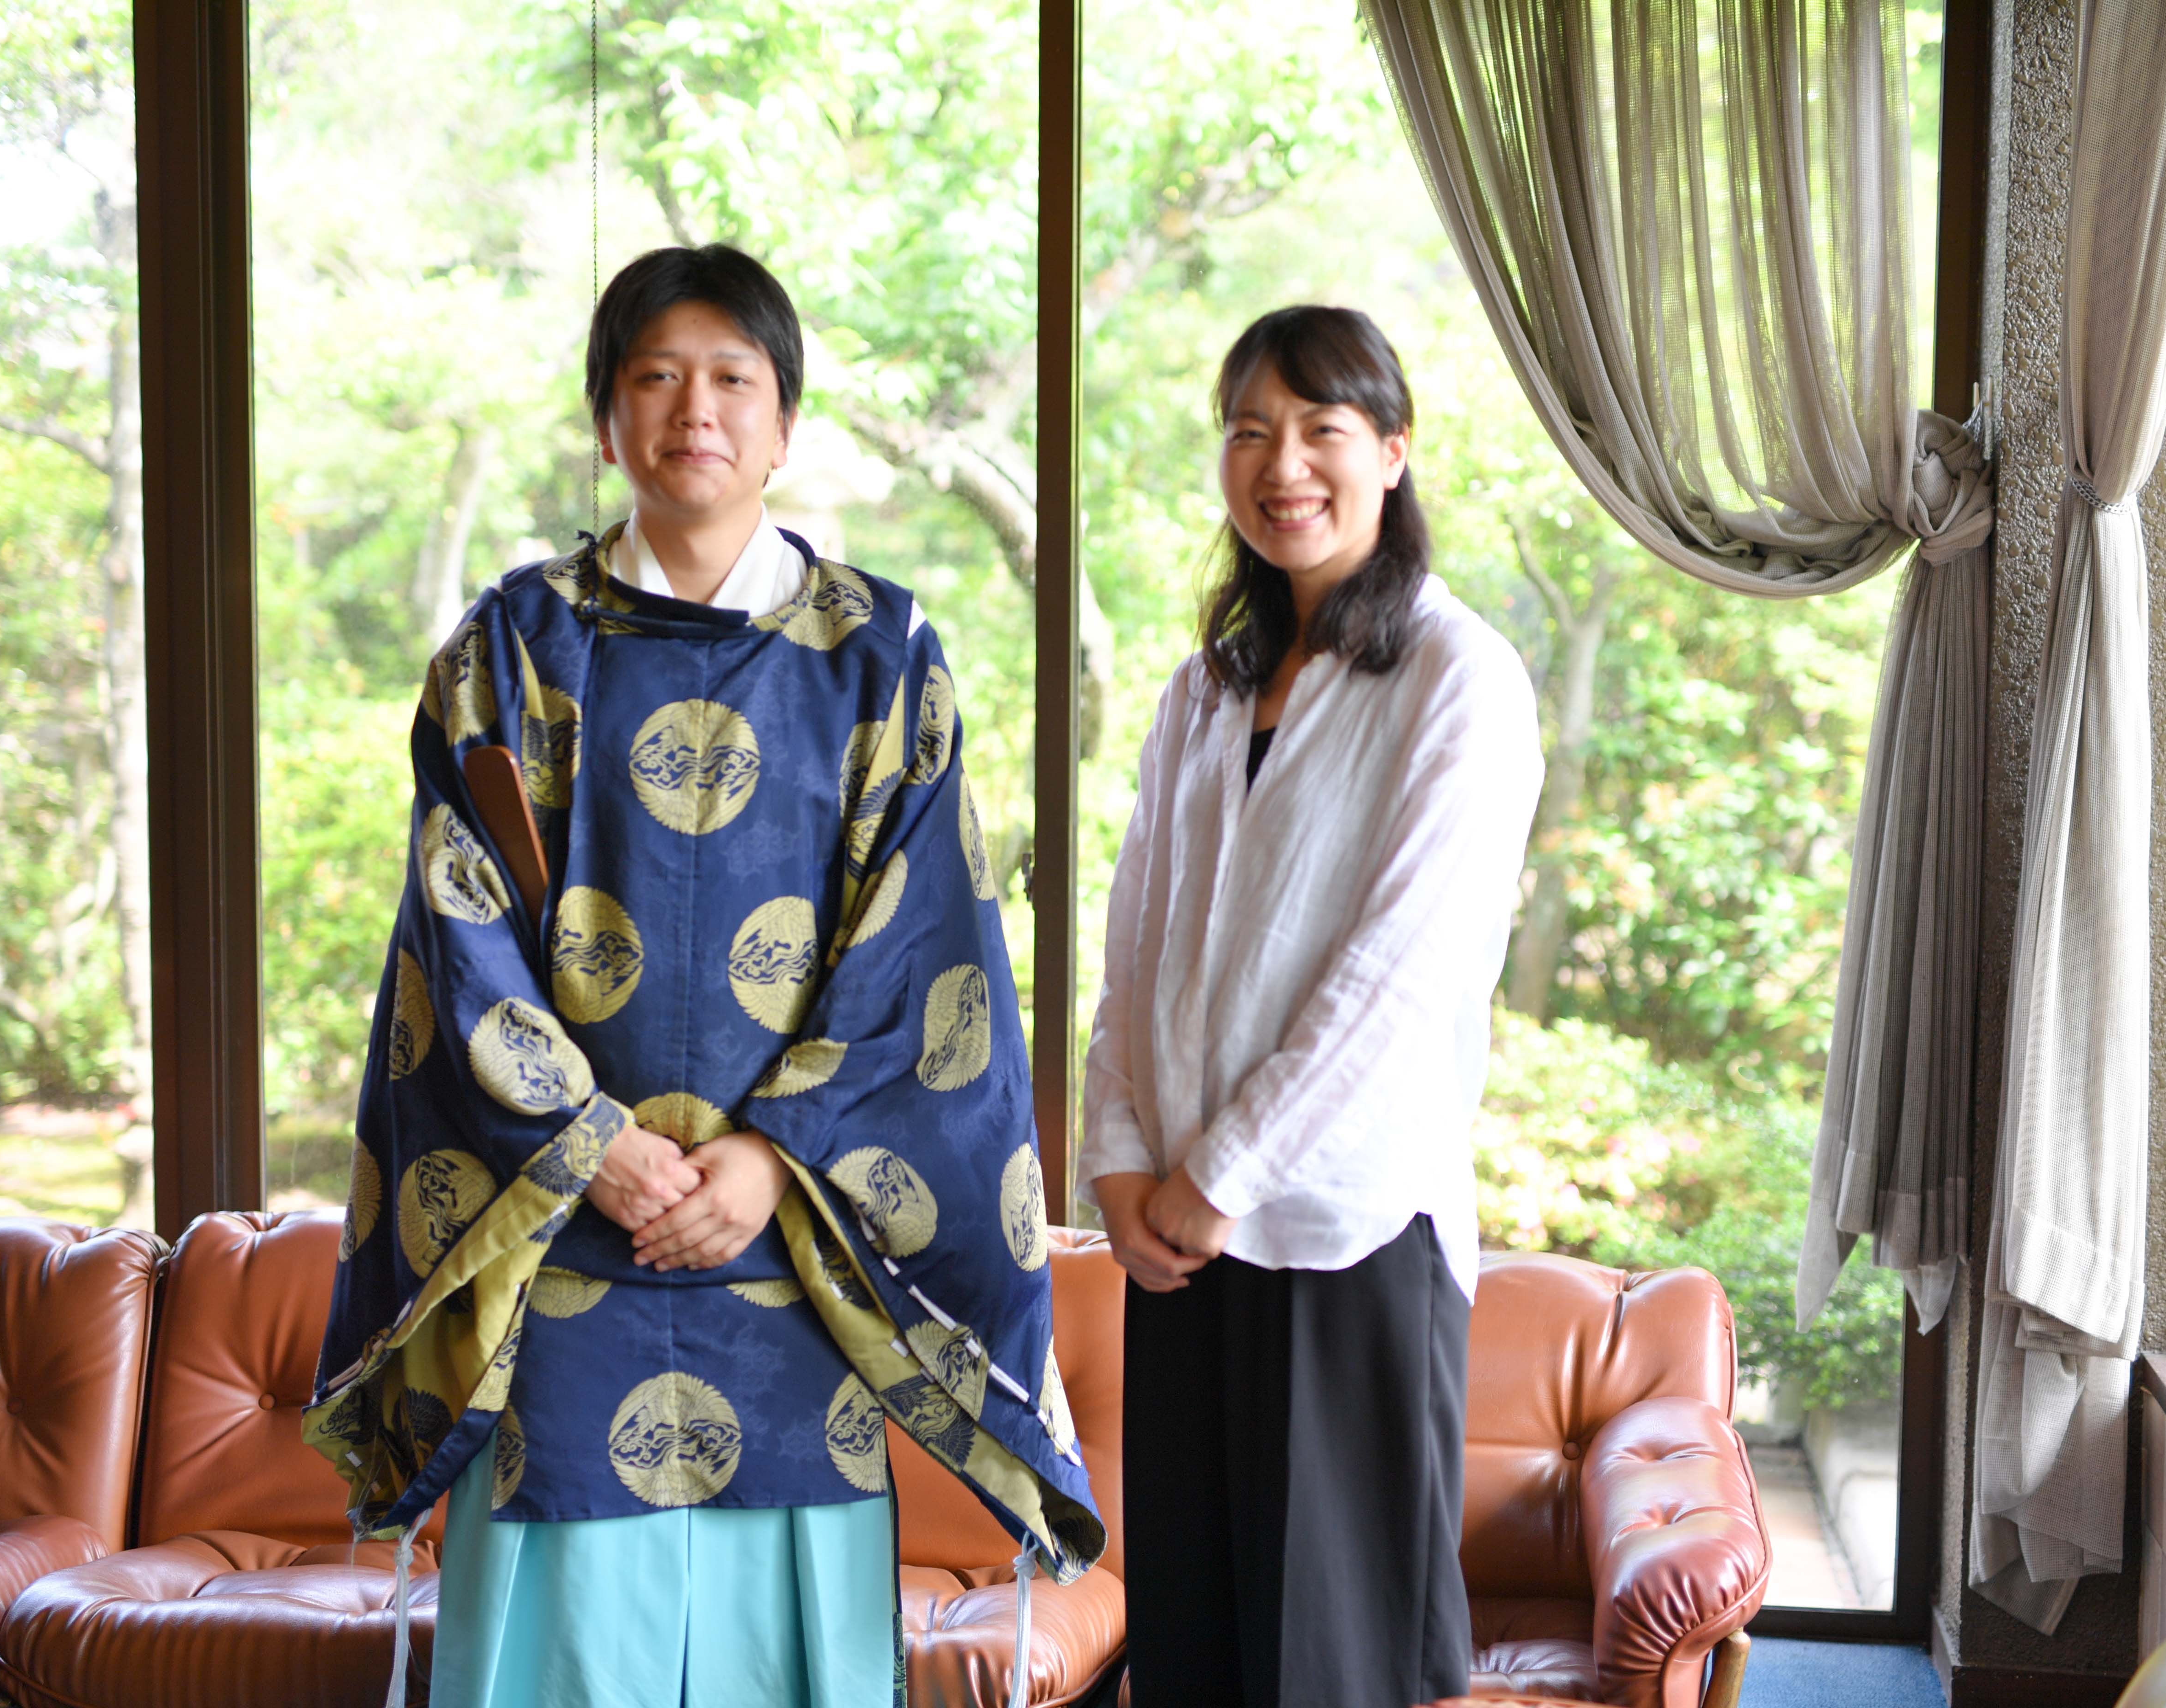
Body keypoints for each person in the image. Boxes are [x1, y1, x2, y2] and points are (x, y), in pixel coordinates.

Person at [306, 243, 1102, 1708]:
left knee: (785, 1654)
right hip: (559, 1244)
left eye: (734, 378)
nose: (696, 411)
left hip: (793, 1249)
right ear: (607, 422)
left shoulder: (883, 657)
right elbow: (456, 930)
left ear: (785, 425)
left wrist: (766, 1158)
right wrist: (597, 1149)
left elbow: (928, 958)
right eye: (656, 378)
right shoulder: (505, 651)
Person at [1079, 305, 1544, 1708]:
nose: (1283, 464)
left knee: (1331, 1671)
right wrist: (1117, 1162)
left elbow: (1403, 969)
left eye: (1321, 430)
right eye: (1249, 432)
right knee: (1199, 1651)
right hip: (1178, 1245)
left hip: (1343, 1240)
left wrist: (1225, 1172)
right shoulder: (1205, 689)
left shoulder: (1458, 677)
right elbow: (1137, 948)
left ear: (1392, 453)